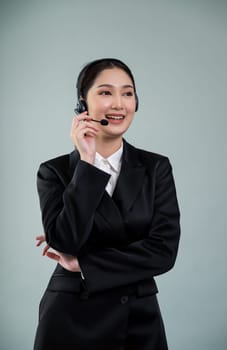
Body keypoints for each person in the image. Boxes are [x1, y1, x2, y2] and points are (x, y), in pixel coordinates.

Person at [33, 58, 180, 350]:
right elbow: (65, 241)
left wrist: (84, 264)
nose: (118, 104)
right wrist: (87, 163)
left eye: (127, 93)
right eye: (105, 92)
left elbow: (163, 252)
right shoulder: (54, 171)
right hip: (71, 315)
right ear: (82, 104)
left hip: (138, 316)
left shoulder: (156, 167)